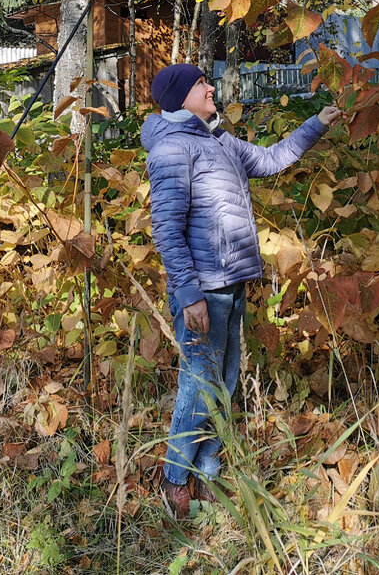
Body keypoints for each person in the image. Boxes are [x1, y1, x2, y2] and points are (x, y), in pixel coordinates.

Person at [141, 63, 343, 518]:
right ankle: (175, 480)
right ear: (179, 98)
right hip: (203, 290)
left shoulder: (218, 141)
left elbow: (271, 159)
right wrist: (189, 295)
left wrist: (317, 124)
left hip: (231, 284)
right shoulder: (173, 149)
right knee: (199, 383)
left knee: (225, 378)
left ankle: (208, 473)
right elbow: (167, 230)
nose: (210, 88)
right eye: (200, 84)